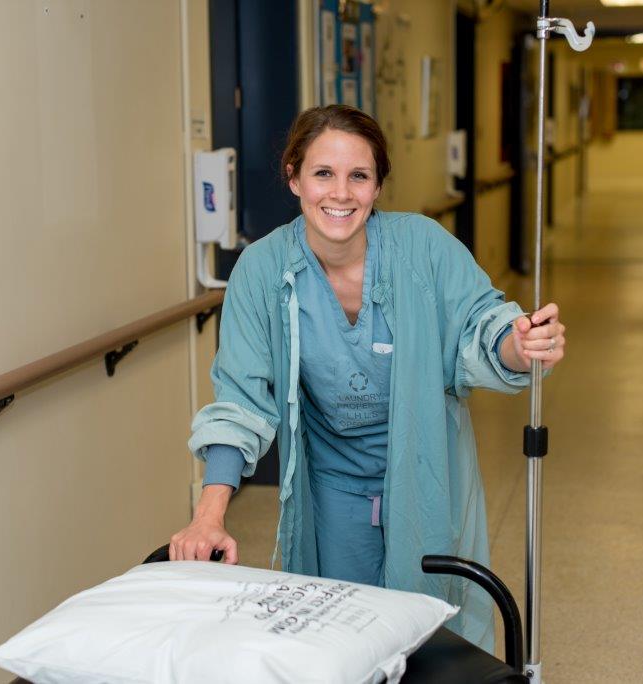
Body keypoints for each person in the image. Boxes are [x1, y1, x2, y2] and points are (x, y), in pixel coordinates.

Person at [170, 105, 566, 651]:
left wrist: (520, 346)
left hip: (428, 475)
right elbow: (241, 398)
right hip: (334, 489)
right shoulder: (262, 271)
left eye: (359, 175)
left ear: (378, 185)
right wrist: (208, 516)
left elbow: (482, 323)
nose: (341, 193)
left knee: (433, 634)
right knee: (340, 635)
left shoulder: (423, 248)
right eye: (323, 174)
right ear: (294, 178)